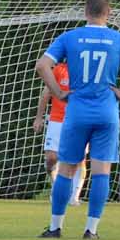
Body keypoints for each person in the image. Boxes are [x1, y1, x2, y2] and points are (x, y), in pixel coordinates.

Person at [36, 0, 120, 239]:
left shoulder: (70, 37)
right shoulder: (119, 39)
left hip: (76, 112)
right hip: (106, 112)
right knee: (101, 171)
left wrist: (58, 92)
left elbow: (42, 65)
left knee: (66, 169)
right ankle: (91, 230)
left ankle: (55, 227)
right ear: (108, 14)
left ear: (85, 12)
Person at [33, 60, 85, 206]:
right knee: (51, 157)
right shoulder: (58, 70)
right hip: (57, 119)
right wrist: (39, 118)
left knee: (79, 159)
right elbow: (46, 93)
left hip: (78, 120)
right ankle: (57, 186)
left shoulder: (85, 70)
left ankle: (74, 196)